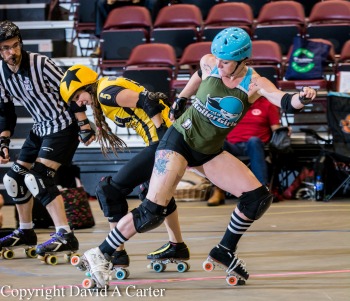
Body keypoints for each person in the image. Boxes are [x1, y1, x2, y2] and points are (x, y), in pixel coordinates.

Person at [76, 27, 317, 288]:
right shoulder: (210, 63)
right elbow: (200, 73)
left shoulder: (254, 83)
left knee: (257, 198)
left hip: (208, 152)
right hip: (178, 141)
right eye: (218, 59)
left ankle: (224, 250)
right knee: (152, 211)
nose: (220, 65)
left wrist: (302, 98)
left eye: (226, 62)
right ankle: (99, 253)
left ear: (243, 60)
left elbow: (284, 100)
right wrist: (181, 97)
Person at [59, 65, 189, 268]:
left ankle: (116, 253)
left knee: (108, 189)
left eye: (78, 96)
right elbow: (151, 98)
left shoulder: (104, 93)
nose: (80, 102)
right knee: (152, 191)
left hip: (163, 142)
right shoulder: (105, 87)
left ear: (86, 85)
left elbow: (149, 100)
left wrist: (163, 134)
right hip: (167, 140)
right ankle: (177, 246)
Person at [0, 21, 95, 260]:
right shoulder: (1, 73)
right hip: (40, 128)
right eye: (6, 48)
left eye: (15, 46)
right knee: (13, 179)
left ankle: (65, 234)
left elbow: (69, 90)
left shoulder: (40, 64)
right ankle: (26, 231)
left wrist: (83, 123)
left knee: (38, 178)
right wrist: (3, 141)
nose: (12, 52)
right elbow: (5, 111)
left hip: (63, 126)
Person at [207, 96, 281, 206]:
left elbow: (277, 130)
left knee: (254, 141)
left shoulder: (268, 105)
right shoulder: (234, 105)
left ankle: (262, 190)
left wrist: (284, 131)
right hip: (233, 146)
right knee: (218, 143)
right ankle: (219, 190)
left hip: (255, 146)